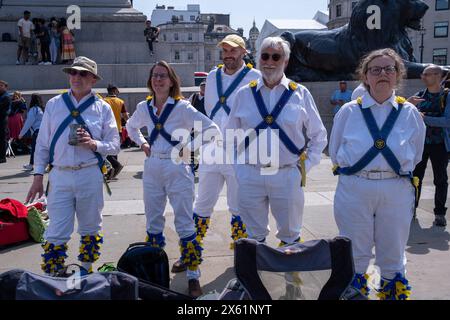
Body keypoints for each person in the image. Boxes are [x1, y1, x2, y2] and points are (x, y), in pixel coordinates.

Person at [330, 48, 426, 300]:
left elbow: (416, 154)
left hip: (395, 189)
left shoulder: (410, 113)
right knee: (355, 251)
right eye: (375, 69)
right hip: (355, 186)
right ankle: (356, 294)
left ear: (397, 76)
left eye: (389, 69)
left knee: (393, 253)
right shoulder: (349, 111)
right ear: (366, 77)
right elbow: (334, 149)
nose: (382, 74)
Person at [126, 60, 220, 297]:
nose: (158, 80)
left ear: (171, 81)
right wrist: (143, 143)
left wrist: (190, 148)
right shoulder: (143, 107)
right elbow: (130, 127)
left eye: (163, 76)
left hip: (178, 166)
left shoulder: (182, 108)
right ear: (150, 80)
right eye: (155, 76)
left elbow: (212, 131)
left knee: (185, 221)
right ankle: (155, 270)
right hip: (153, 166)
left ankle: (193, 275)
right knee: (153, 221)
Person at [170, 34, 261, 274]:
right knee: (201, 203)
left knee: (238, 206)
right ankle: (189, 253)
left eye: (233, 51)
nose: (228, 55)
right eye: (225, 51)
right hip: (212, 150)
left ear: (243, 52)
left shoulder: (255, 77)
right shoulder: (212, 76)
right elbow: (209, 111)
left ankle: (243, 258)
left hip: (240, 152)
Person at [225, 36, 327, 247]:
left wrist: (304, 167)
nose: (269, 61)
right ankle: (256, 277)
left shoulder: (300, 94)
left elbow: (319, 136)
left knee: (291, 234)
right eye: (265, 56)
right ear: (259, 59)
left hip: (286, 174)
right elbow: (229, 137)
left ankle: (289, 277)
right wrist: (239, 168)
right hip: (251, 173)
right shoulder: (244, 94)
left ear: (286, 62)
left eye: (276, 56)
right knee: (254, 235)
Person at [25, 56, 120, 275]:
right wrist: (38, 176)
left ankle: (85, 270)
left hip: (89, 174)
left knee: (90, 226)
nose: (76, 77)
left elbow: (115, 145)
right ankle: (54, 273)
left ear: (93, 79)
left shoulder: (102, 108)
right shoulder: (54, 104)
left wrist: (94, 144)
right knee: (57, 229)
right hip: (59, 175)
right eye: (73, 72)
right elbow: (42, 144)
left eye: (83, 73)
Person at [408, 65, 450, 227]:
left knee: (441, 180)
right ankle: (411, 208)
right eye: (423, 74)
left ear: (438, 77)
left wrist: (424, 118)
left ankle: (439, 213)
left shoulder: (446, 97)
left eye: (427, 74)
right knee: (415, 178)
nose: (423, 77)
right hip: (420, 144)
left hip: (440, 145)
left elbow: (447, 122)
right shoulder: (418, 97)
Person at [103, 84, 128, 179]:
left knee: (106, 150)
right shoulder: (120, 102)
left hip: (105, 130)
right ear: (114, 90)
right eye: (117, 89)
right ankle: (114, 168)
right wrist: (129, 125)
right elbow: (125, 116)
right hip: (117, 129)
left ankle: (114, 168)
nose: (118, 91)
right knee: (115, 150)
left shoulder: (103, 101)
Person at [19, 94, 45, 171]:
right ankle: (44, 165)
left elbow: (28, 123)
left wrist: (21, 134)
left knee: (34, 149)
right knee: (43, 149)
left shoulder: (34, 110)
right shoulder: (41, 109)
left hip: (37, 132)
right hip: (43, 131)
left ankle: (31, 164)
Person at [0, 80, 11, 163]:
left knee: (2, 138)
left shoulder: (6, 96)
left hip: (2, 120)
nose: (0, 87)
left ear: (5, 87)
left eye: (1, 85)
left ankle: (3, 157)